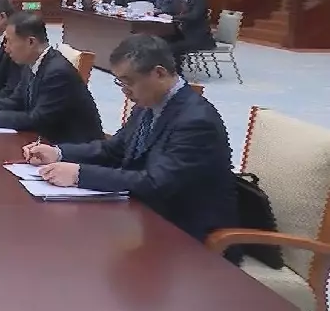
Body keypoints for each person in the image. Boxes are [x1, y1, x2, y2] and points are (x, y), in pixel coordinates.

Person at [23, 35, 238, 252]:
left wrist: (79, 174)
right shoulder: (148, 104)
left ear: (159, 73)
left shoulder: (195, 121)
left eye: (129, 82)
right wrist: (58, 153)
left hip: (185, 233)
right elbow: (113, 149)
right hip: (144, 214)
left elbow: (157, 183)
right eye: (120, 82)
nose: (124, 91)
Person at [0, 12, 102, 144]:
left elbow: (38, 119)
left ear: (31, 42)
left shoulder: (57, 72)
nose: (7, 49)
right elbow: (16, 101)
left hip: (74, 149)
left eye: (10, 42)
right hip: (45, 140)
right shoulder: (32, 62)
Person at [168, 0, 215, 73]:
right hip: (183, 34)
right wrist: (156, 13)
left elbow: (194, 16)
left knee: (173, 47)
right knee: (160, 42)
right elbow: (170, 11)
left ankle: (176, 74)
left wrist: (173, 18)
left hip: (199, 37)